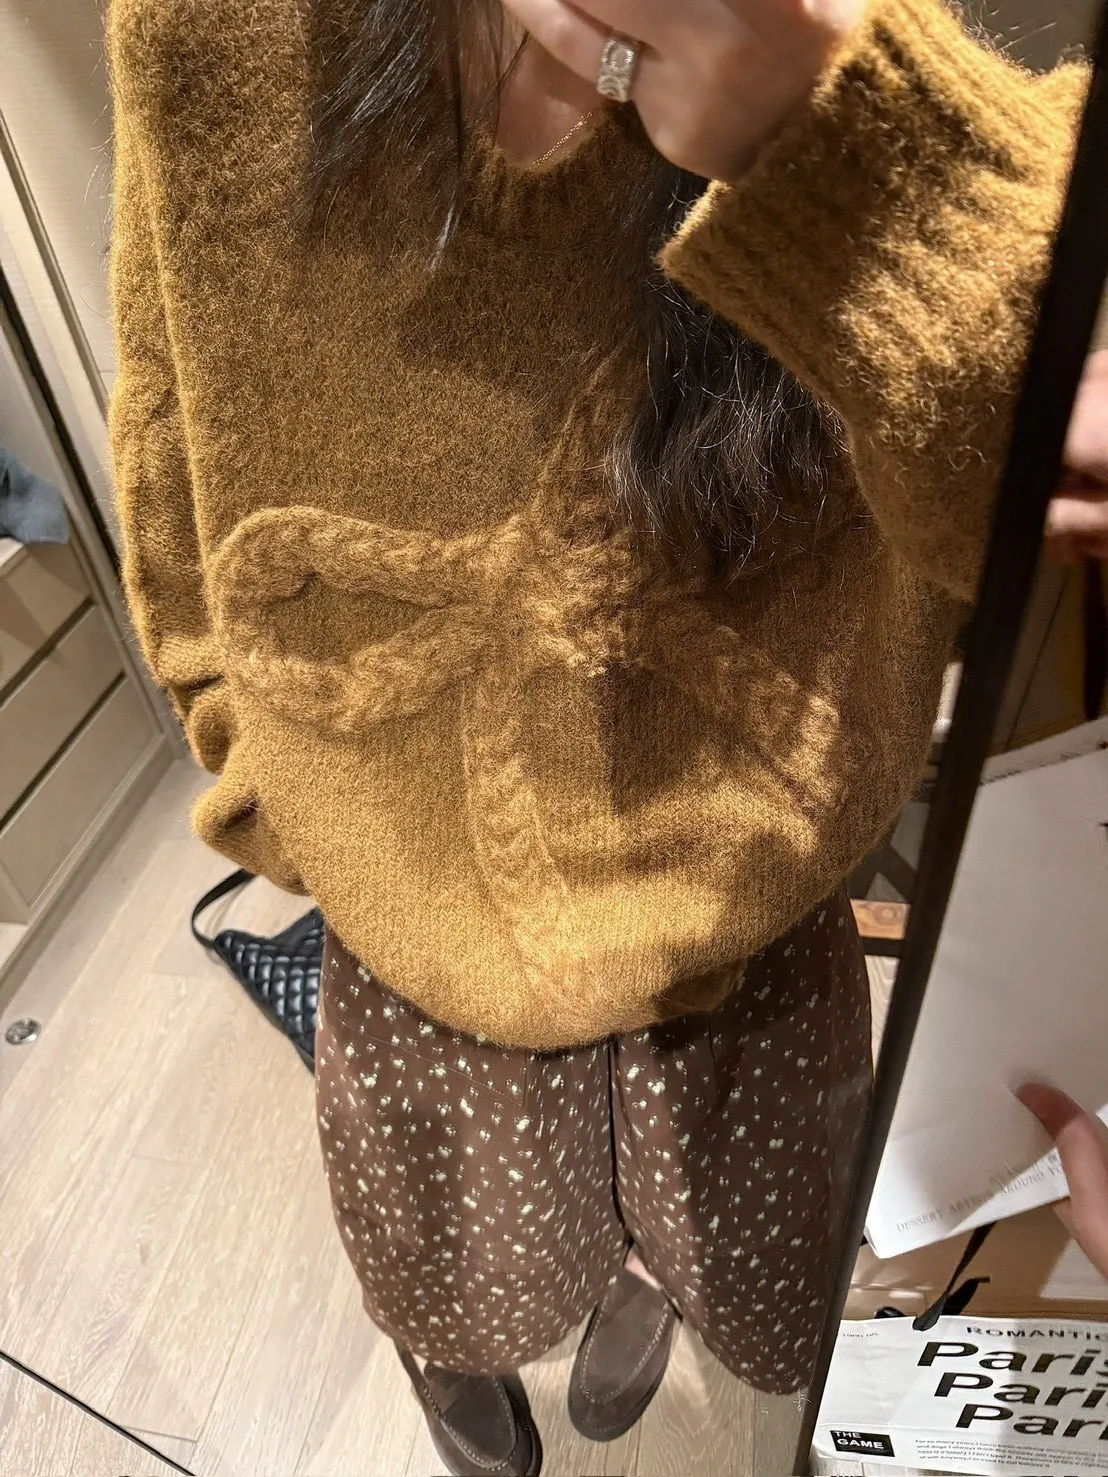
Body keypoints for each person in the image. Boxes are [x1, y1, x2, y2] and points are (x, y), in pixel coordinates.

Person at [105, 0, 1104, 1471]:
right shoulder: (215, 35)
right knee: (452, 1259)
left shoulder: (894, 46)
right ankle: (459, 1368)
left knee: (749, 1255)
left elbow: (1019, 518)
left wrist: (842, 140)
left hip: (750, 905)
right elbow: (171, 412)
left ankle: (645, 1274)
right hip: (408, 909)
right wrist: (269, 781)